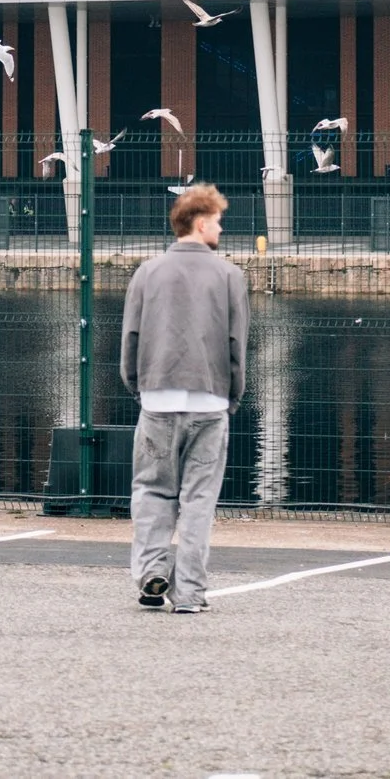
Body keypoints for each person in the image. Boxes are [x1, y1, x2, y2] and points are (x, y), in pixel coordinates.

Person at [120, 181, 249, 615]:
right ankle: (190, 593)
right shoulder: (230, 275)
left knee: (152, 490)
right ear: (200, 221)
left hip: (157, 397)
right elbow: (236, 344)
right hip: (210, 402)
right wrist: (232, 395)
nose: (221, 229)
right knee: (199, 499)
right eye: (217, 221)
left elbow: (131, 338)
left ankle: (152, 571)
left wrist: (138, 384)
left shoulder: (147, 272)